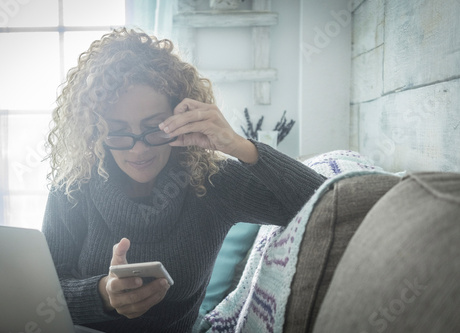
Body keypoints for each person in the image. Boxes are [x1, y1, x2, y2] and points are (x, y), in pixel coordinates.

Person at [42, 28, 325, 333]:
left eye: (155, 127)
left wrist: (238, 146)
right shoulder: (72, 187)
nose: (139, 148)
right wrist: (103, 294)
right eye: (118, 132)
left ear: (180, 116)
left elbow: (330, 204)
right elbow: (43, 292)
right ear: (96, 131)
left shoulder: (212, 183)